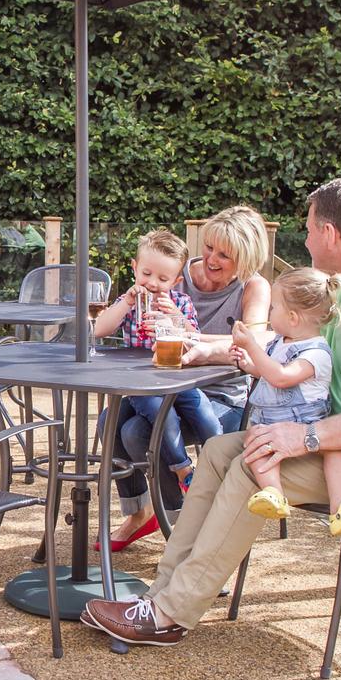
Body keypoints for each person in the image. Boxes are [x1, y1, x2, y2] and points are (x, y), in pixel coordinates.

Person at [82, 175, 341, 646]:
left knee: (248, 466)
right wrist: (223, 352)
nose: (303, 238)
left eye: (307, 228)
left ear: (329, 233)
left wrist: (306, 437)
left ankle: (169, 615)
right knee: (222, 451)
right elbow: (287, 349)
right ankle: (160, 592)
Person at [97, 206, 272, 552]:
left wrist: (199, 344)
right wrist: (217, 343)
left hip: (220, 396)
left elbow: (257, 346)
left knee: (140, 431)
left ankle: (183, 525)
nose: (211, 259)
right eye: (209, 247)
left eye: (225, 255)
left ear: (246, 259)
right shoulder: (175, 274)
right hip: (162, 383)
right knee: (109, 421)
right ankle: (141, 510)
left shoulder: (253, 287)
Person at [93, 231, 220, 550]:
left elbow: (194, 336)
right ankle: (181, 468)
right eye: (146, 273)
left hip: (175, 376)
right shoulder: (129, 301)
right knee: (154, 414)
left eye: (162, 278)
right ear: (135, 268)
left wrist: (174, 318)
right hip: (143, 382)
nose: (152, 282)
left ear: (176, 281)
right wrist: (126, 301)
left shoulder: (179, 302)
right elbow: (99, 329)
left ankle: (219, 463)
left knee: (201, 410)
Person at [230, 267, 341, 535]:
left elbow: (281, 377)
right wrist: (249, 364)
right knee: (254, 441)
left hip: (309, 424)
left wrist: (252, 345)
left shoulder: (316, 352)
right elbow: (268, 371)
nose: (269, 313)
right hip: (271, 423)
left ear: (293, 317)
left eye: (273, 307)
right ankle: (274, 494)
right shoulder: (280, 342)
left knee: (335, 449)